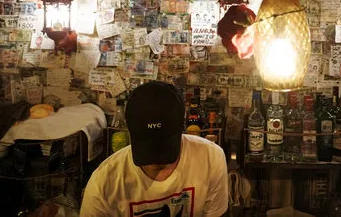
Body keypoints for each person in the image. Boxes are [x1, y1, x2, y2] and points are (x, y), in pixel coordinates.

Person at [80, 81, 229, 217]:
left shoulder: (210, 158)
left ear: (182, 127)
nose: (157, 165)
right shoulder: (103, 183)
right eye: (147, 143)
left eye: (164, 145)